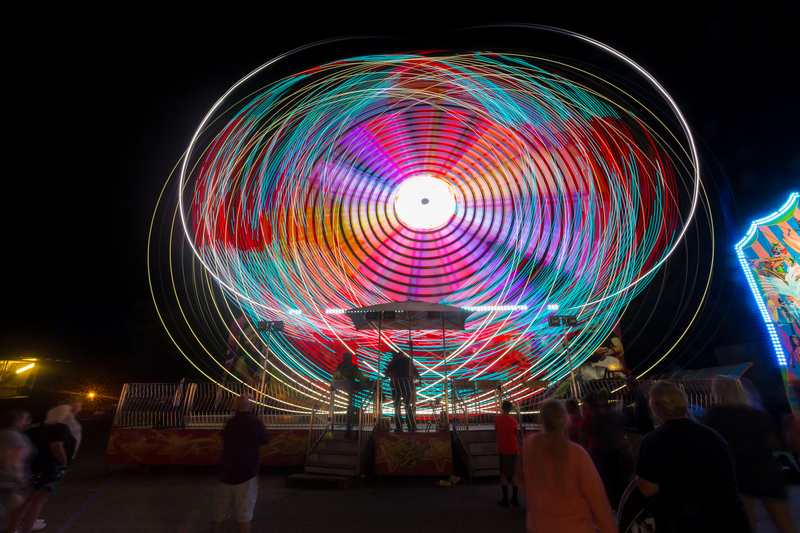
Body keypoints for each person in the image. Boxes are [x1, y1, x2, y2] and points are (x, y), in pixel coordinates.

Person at [635, 382, 753, 532]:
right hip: (735, 520)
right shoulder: (713, 435)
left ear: (656, 408)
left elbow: (647, 489)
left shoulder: (655, 440)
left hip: (694, 524)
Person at [706, 377, 796, 533]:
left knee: (747, 526)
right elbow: (773, 442)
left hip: (738, 474)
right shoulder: (759, 413)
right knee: (785, 526)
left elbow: (712, 442)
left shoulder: (716, 413)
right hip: (766, 473)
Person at [523, 399, 616, 533]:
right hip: (575, 527)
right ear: (565, 420)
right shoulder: (577, 453)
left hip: (540, 527)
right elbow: (598, 502)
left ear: (542, 419)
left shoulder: (530, 445)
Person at [11, 405, 76, 533]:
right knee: (38, 501)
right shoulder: (61, 428)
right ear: (64, 415)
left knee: (25, 501)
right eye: (69, 413)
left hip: (34, 467)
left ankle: (12, 530)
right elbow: (56, 446)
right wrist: (63, 462)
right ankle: (26, 530)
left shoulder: (41, 428)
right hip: (50, 469)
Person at [211, 394, 269, 533]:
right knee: (244, 517)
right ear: (249, 406)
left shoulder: (230, 423)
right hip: (246, 476)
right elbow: (266, 438)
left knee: (220, 515)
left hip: (227, 475)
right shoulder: (255, 422)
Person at [578, 392, 625, 510]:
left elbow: (581, 427)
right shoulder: (606, 414)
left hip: (596, 450)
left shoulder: (588, 415)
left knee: (601, 479)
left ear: (587, 404)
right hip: (611, 449)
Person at [332, 351, 368, 439]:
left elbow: (335, 377)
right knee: (354, 405)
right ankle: (355, 424)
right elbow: (360, 377)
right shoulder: (353, 367)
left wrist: (334, 386)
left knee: (348, 406)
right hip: (351, 389)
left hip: (341, 389)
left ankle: (348, 425)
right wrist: (363, 383)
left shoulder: (339, 367)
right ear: (350, 359)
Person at [385, 350, 420, 432]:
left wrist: (388, 376)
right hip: (407, 385)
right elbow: (415, 372)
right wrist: (418, 381)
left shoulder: (394, 361)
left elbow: (387, 373)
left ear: (394, 354)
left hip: (396, 386)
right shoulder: (408, 360)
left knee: (397, 406)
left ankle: (399, 426)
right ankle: (410, 425)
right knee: (407, 405)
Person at [494, 400, 520, 507]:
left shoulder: (497, 418)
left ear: (502, 408)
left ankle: (505, 498)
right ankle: (515, 498)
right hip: (515, 448)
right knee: (515, 474)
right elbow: (516, 434)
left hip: (504, 449)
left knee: (503, 474)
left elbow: (496, 428)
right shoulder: (514, 420)